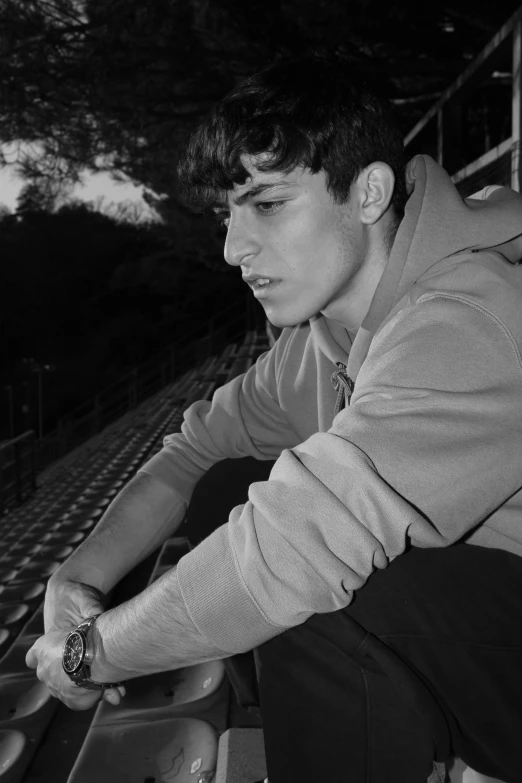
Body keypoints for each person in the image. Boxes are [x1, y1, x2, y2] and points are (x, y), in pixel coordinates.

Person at [27, 56, 522, 783]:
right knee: (225, 485)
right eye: (229, 212)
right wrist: (74, 582)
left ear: (369, 192)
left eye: (266, 203)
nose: (233, 248)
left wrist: (87, 651)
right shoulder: (319, 337)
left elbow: (292, 551)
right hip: (476, 622)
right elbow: (190, 452)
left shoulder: (467, 318)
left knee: (315, 597)